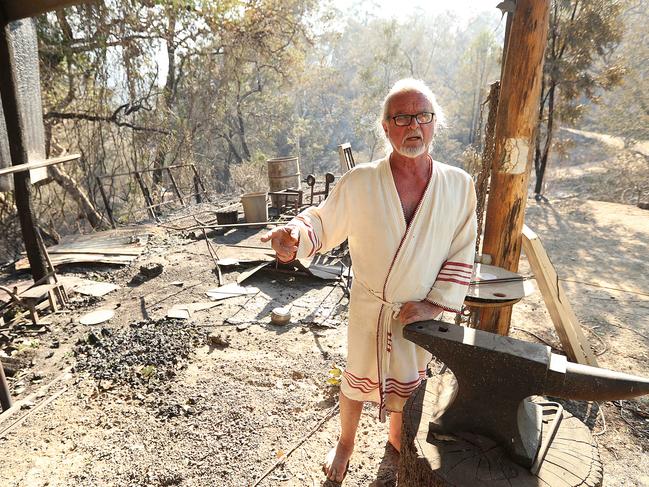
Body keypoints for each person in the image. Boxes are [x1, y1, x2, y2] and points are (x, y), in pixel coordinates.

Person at [261, 78, 477, 483]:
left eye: (423, 116)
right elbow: (322, 221)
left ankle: (397, 440)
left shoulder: (459, 186)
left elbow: (462, 250)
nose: (413, 125)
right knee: (356, 377)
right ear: (385, 127)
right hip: (370, 303)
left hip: (419, 313)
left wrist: (434, 305)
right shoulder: (360, 181)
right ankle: (345, 442)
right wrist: (294, 236)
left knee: (409, 384)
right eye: (401, 117)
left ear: (435, 124)